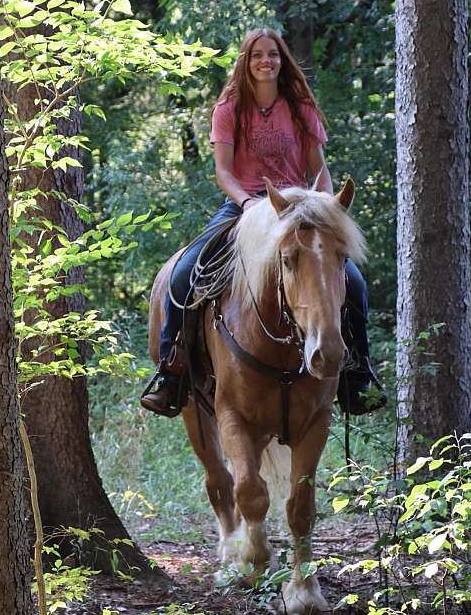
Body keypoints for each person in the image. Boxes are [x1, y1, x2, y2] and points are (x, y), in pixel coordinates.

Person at [141, 27, 384, 417]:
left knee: (352, 280)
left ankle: (358, 372)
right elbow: (224, 172)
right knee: (187, 272)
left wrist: (324, 203)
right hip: (244, 207)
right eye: (257, 55)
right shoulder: (229, 109)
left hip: (299, 211)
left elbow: (319, 170)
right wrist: (249, 204)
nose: (265, 61)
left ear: (282, 60)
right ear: (246, 61)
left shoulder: (300, 106)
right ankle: (173, 371)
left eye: (273, 54)